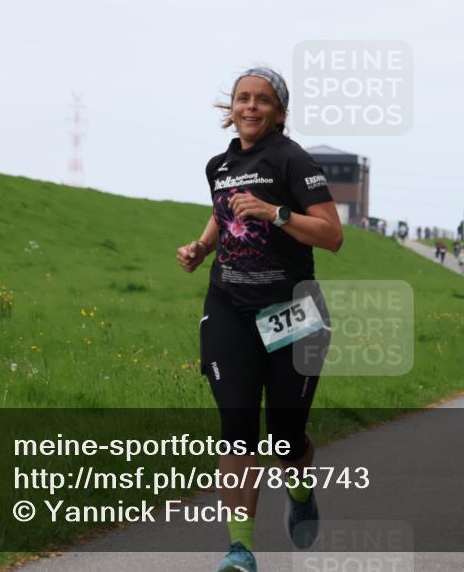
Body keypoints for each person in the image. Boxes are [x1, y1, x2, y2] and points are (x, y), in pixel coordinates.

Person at [176, 67, 343, 572]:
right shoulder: (218, 165)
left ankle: (298, 485)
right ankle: (240, 548)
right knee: (237, 425)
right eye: (242, 98)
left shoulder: (294, 160)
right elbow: (222, 211)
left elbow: (332, 235)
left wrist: (277, 213)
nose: (250, 106)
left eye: (263, 100)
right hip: (229, 306)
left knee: (286, 436)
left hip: (291, 310)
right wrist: (203, 247)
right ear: (231, 108)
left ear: (280, 113)